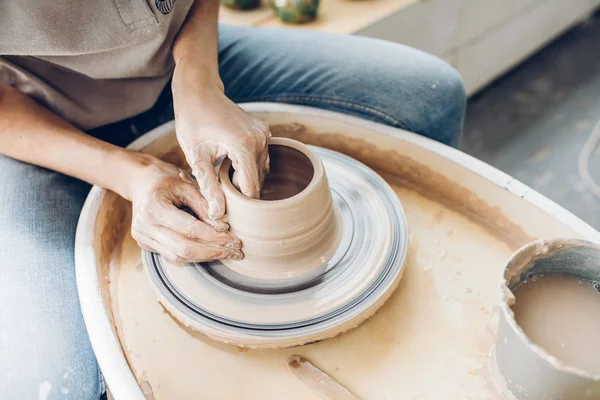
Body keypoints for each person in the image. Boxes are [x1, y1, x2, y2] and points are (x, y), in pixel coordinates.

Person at [0, 0, 466, 398]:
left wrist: (199, 80)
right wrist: (130, 172)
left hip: (178, 66)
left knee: (432, 97)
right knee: (56, 385)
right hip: (39, 116)